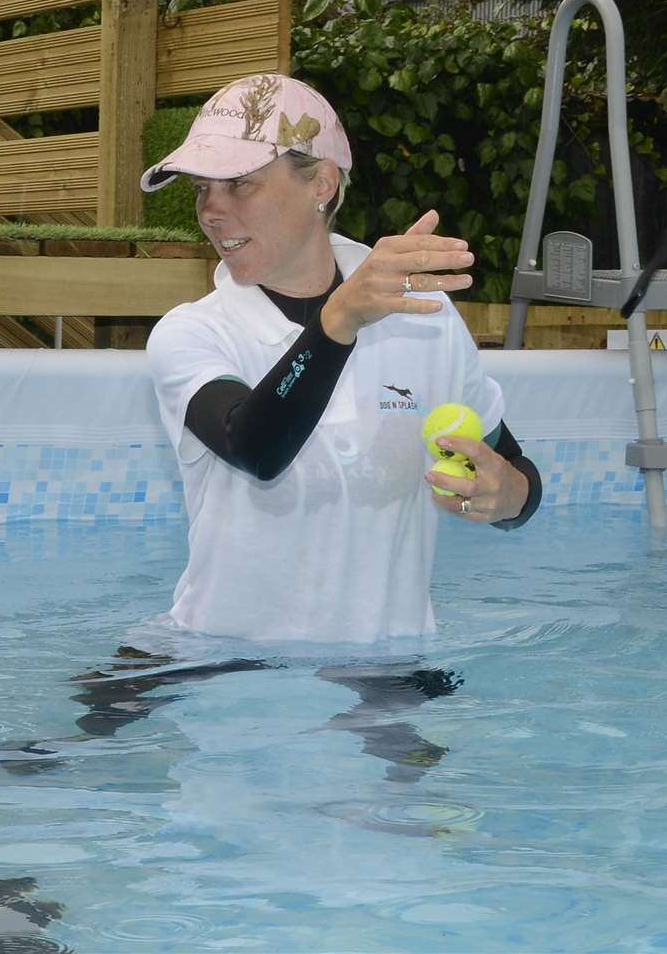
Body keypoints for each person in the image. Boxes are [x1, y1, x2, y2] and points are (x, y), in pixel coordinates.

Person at [140, 73, 542, 644]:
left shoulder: (423, 319)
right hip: (222, 661)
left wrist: (510, 496)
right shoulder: (191, 333)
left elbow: (518, 473)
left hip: (387, 669)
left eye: (238, 183)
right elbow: (253, 447)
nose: (211, 210)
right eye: (202, 188)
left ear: (322, 183)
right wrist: (338, 321)